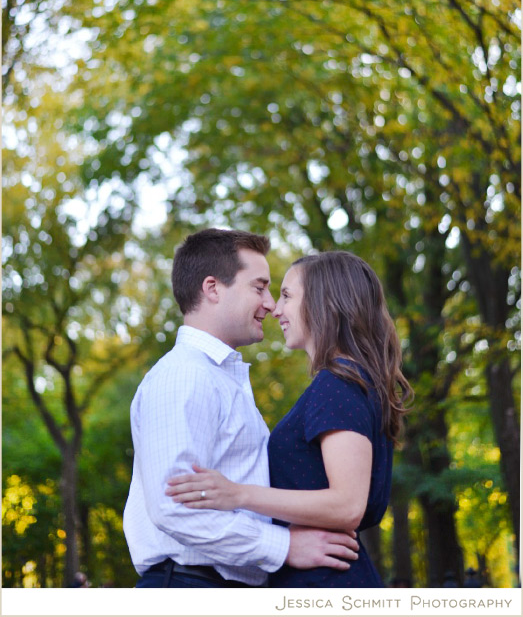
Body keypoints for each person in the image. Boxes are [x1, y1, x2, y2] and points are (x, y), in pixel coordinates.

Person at [123, 229, 359, 588]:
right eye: (259, 287)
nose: (269, 303)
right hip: (190, 587)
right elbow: (174, 508)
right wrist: (284, 546)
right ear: (213, 288)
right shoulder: (184, 375)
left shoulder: (218, 379)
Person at [167, 251, 413, 587]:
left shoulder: (337, 384)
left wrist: (238, 494)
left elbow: (347, 504)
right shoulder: (347, 382)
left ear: (324, 302)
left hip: (326, 582)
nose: (276, 309)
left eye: (286, 295)